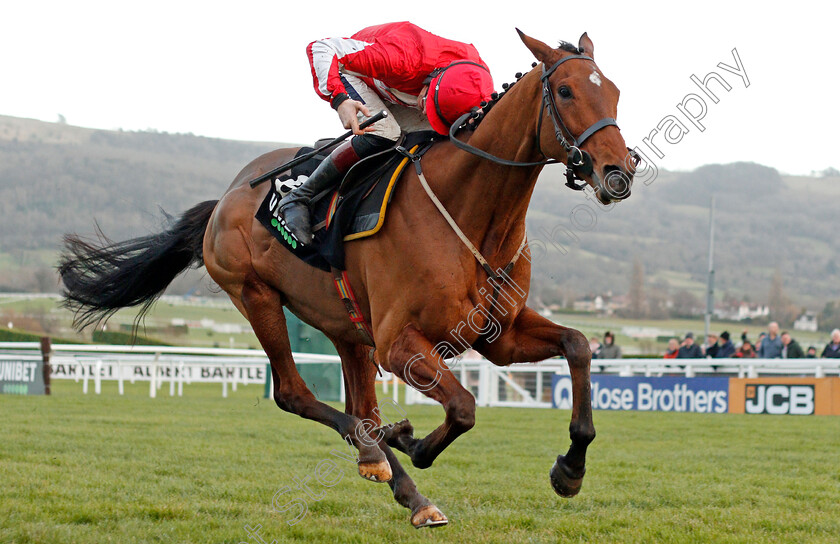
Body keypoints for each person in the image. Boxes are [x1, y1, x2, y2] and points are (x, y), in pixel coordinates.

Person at [278, 22, 495, 243]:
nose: (423, 108)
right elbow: (321, 48)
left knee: (437, 137)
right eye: (427, 101)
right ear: (434, 79)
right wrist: (339, 99)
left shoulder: (477, 81)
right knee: (386, 132)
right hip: (352, 69)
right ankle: (299, 197)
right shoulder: (400, 58)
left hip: (402, 81)